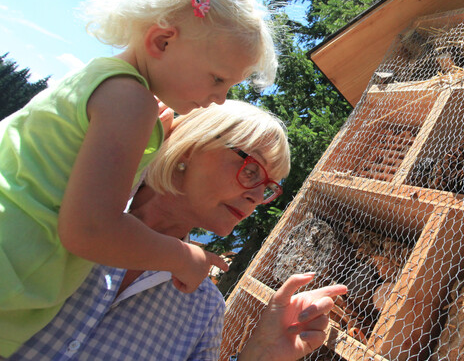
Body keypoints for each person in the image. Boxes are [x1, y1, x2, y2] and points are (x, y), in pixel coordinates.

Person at [0, 0, 278, 355]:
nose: (221, 97)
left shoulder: (108, 89)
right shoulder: (130, 103)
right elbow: (91, 229)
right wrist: (184, 258)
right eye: (218, 79)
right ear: (162, 42)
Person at [8, 100, 348, 360]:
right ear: (191, 147)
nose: (257, 197)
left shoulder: (203, 308)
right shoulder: (64, 204)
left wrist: (259, 354)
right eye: (252, 171)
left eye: (268, 187)